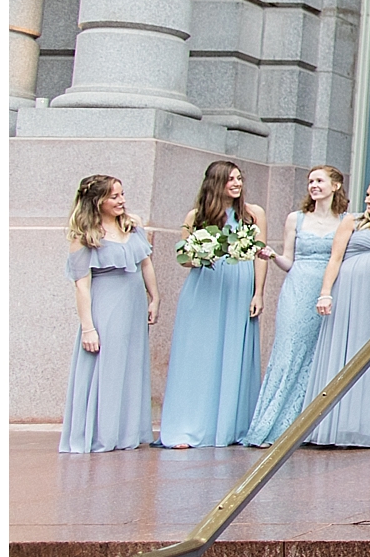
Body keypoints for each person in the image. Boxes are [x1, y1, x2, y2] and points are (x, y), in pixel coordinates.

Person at [159, 160, 267, 448]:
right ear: (215, 183)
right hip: (205, 285)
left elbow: (260, 254)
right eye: (230, 179)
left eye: (239, 178)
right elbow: (183, 257)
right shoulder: (196, 216)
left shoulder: (253, 214)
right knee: (198, 353)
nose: (237, 184)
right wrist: (199, 255)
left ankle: (229, 427)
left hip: (239, 286)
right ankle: (189, 425)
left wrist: (259, 292)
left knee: (234, 351)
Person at [242, 166, 346, 446]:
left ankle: (311, 425)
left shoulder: (346, 220)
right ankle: (273, 424)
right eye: (311, 181)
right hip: (298, 287)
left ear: (335, 186)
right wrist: (273, 256)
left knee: (321, 353)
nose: (314, 185)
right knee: (289, 350)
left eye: (320, 181)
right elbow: (289, 261)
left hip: (330, 290)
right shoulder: (296, 219)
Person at [304, 177, 370, 447]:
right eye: (367, 195)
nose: (367, 201)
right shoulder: (352, 221)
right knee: (344, 349)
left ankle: (365, 425)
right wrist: (325, 292)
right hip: (347, 295)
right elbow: (335, 258)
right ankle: (332, 423)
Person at [60, 175, 158, 453]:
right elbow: (82, 286)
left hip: (134, 303)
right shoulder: (84, 236)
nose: (121, 201)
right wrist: (88, 327)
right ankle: (101, 433)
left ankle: (126, 431)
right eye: (114, 197)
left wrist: (155, 297)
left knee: (131, 363)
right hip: (106, 305)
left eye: (122, 195)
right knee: (108, 366)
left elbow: (146, 263)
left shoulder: (131, 225)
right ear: (97, 201)